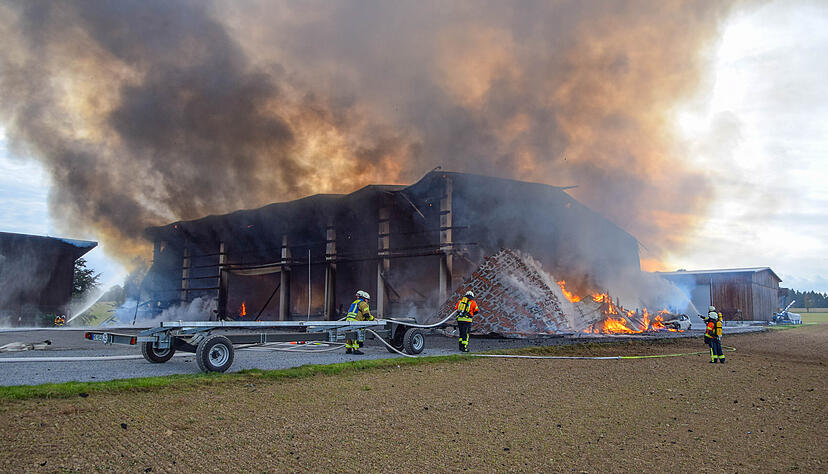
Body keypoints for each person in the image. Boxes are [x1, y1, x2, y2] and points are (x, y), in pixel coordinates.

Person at [345, 290, 373, 355]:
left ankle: (348, 349)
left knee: (349, 334)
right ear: (364, 298)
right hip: (356, 321)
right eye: (367, 299)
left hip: (348, 320)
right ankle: (355, 349)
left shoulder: (354, 302)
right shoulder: (363, 303)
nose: (367, 301)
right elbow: (366, 315)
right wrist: (373, 319)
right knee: (356, 335)